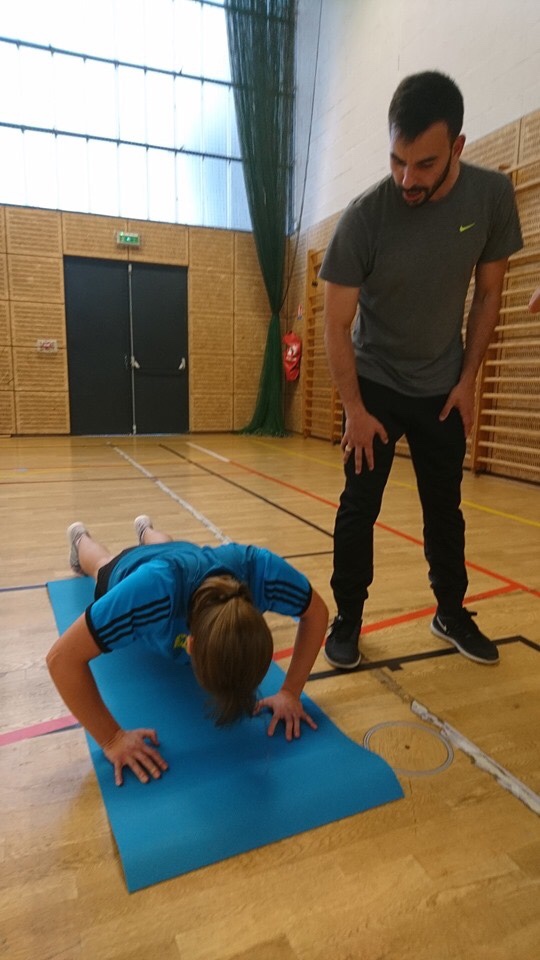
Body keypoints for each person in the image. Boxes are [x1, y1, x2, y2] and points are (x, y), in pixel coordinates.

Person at [319, 70, 523, 670]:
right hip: (375, 383)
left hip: (442, 385)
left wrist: (468, 381)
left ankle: (451, 612)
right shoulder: (364, 217)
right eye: (397, 161)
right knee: (359, 506)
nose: (407, 179)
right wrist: (354, 410)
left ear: (458, 146)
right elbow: (335, 325)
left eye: (424, 164)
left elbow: (490, 294)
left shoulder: (491, 197)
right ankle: (347, 619)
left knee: (445, 510)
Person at [46, 515, 328, 786]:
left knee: (166, 547)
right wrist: (112, 739)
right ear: (189, 645)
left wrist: (290, 691)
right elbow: (61, 659)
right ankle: (80, 538)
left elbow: (316, 613)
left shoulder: (262, 571)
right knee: (101, 565)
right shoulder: (147, 593)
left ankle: (146, 530)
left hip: (183, 555)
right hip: (136, 568)